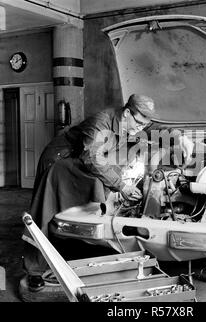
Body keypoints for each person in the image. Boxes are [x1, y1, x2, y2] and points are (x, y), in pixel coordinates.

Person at [21, 94, 157, 292]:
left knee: (81, 206)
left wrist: (179, 139)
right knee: (44, 210)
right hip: (59, 162)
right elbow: (92, 157)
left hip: (79, 163)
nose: (141, 128)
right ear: (127, 112)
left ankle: (68, 246)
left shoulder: (131, 123)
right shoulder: (101, 122)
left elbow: (153, 133)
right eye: (140, 123)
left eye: (145, 125)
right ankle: (33, 269)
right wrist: (121, 186)